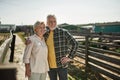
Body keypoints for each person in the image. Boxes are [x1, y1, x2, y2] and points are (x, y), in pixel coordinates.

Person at [44, 14, 78, 80]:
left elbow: (75, 44)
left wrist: (69, 57)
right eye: (50, 21)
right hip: (49, 66)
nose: (52, 23)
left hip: (62, 65)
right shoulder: (45, 34)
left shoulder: (63, 32)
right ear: (47, 23)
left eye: (54, 21)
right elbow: (37, 39)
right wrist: (29, 40)